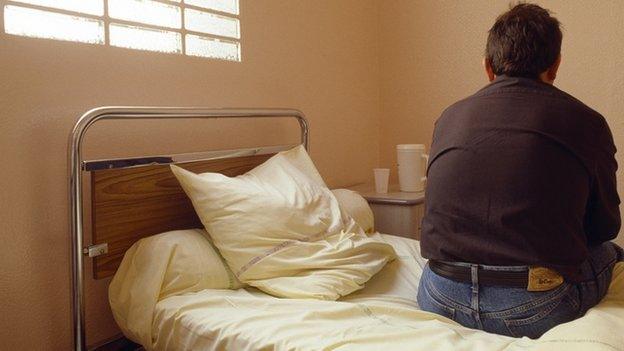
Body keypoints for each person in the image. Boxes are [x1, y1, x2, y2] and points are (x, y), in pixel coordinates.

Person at [417, 3, 623, 339]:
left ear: (487, 67)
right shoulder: (587, 122)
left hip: (439, 294)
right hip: (533, 305)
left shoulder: (449, 117)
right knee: (609, 253)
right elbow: (605, 226)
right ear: (554, 66)